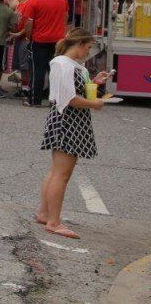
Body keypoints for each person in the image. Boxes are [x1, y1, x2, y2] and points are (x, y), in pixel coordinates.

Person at [37, 28, 107, 240]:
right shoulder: (64, 64)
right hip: (69, 120)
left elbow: (72, 92)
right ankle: (53, 222)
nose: (88, 51)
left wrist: (95, 83)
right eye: (87, 47)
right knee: (62, 174)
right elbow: (70, 99)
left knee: (56, 171)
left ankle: (44, 213)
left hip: (67, 120)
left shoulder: (67, 64)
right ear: (79, 44)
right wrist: (94, 104)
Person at [21, 0, 68, 107]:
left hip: (39, 39)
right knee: (55, 71)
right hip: (58, 40)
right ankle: (55, 100)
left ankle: (35, 100)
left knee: (37, 71)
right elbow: (65, 16)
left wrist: (28, 38)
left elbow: (28, 22)